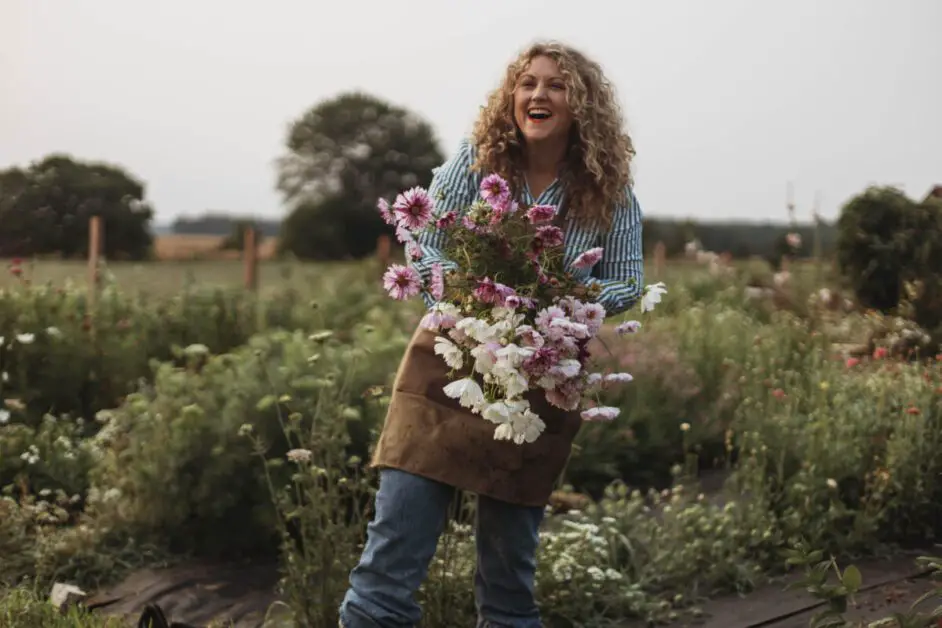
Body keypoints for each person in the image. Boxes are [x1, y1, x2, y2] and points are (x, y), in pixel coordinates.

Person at [339, 40, 644, 628]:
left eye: (556, 85)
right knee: (391, 551)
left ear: (581, 105)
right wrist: (469, 293)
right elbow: (424, 238)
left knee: (508, 579)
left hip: (540, 381)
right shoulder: (476, 162)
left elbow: (627, 281)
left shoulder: (610, 193)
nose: (538, 94)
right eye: (528, 83)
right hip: (449, 362)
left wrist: (555, 305)